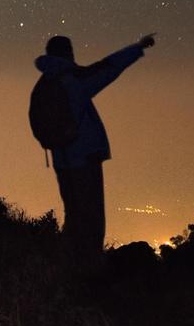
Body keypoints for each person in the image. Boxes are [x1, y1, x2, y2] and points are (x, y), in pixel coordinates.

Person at [34, 32, 156, 273]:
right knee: (91, 216)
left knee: (73, 213)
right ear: (68, 53)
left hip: (61, 159)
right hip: (84, 159)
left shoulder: (43, 86)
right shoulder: (73, 80)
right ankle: (90, 270)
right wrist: (137, 48)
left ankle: (66, 266)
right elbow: (108, 68)